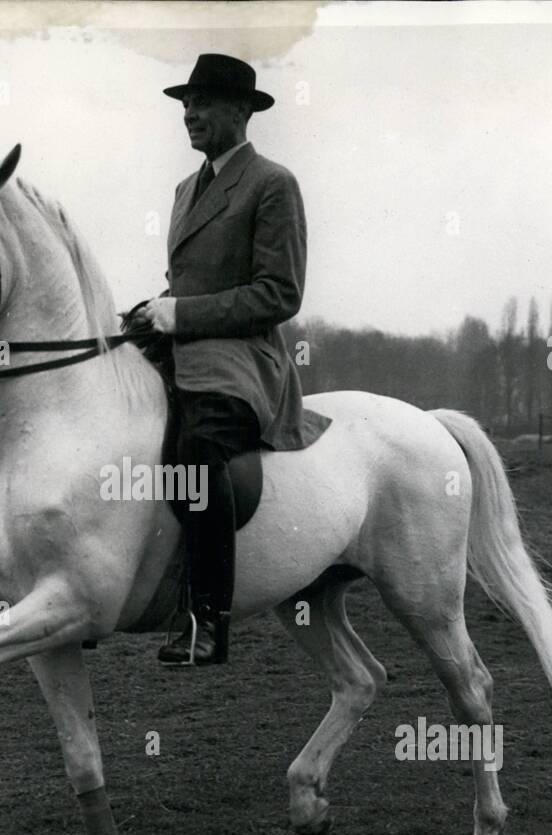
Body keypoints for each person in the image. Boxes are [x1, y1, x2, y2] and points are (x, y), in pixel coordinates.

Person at [133, 53, 329, 667]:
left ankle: (204, 621)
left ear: (242, 111)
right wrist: (152, 311)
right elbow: (189, 282)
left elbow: (279, 294)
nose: (190, 114)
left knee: (197, 452)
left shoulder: (273, 184)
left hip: (241, 362)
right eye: (186, 104)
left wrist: (182, 315)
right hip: (183, 348)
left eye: (204, 103)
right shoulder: (185, 189)